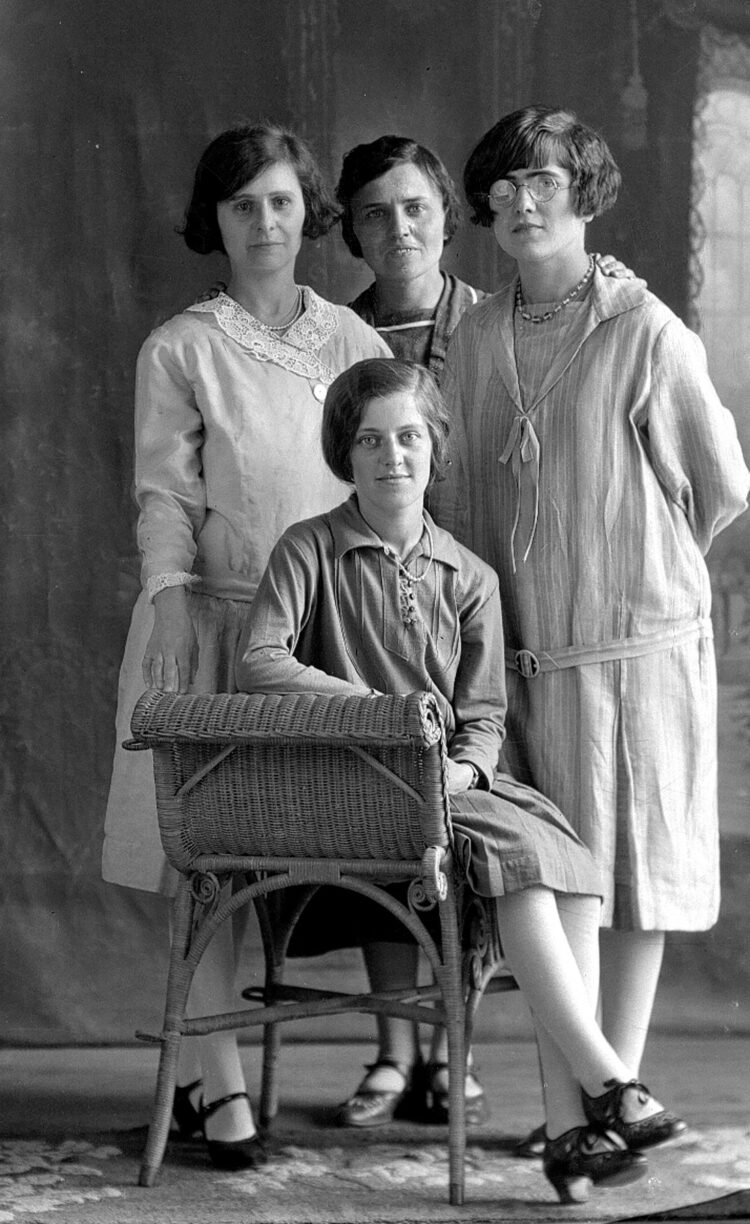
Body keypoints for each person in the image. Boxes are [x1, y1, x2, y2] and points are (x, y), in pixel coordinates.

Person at [235, 356, 687, 1205]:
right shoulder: (310, 550)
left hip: (450, 781)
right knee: (525, 855)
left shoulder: (469, 574)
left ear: (434, 449)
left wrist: (466, 764)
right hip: (355, 785)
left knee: (572, 867)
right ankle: (610, 1086)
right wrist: (377, 711)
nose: (391, 457)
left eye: (409, 438)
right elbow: (260, 660)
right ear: (346, 452)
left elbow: (483, 714)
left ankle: (574, 1133)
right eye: (370, 441)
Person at [432, 105, 750, 1157]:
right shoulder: (474, 339)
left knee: (631, 881)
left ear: (587, 192)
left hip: (636, 653)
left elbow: (720, 489)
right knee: (548, 875)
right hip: (521, 659)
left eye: (548, 182)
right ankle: (586, 1111)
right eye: (507, 187)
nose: (525, 203)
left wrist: (630, 579)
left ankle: (604, 1115)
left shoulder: (648, 331)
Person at [307, 133, 638, 1132]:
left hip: (482, 590)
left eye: (415, 206)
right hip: (366, 595)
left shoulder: (490, 320)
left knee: (483, 816)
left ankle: (458, 1052)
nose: (397, 227)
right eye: (373, 212)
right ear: (353, 232)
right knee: (385, 818)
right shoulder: (336, 333)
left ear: (450, 216)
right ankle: (393, 1049)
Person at [102, 122, 390, 1171]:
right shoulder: (183, 347)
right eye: (241, 205)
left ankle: (387, 1062)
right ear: (213, 221)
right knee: (208, 866)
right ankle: (218, 1089)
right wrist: (170, 597)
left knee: (340, 852)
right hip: (215, 620)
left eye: (280, 201)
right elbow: (166, 496)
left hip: (324, 634)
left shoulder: (355, 345)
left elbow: (384, 487)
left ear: (307, 211)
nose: (264, 223)